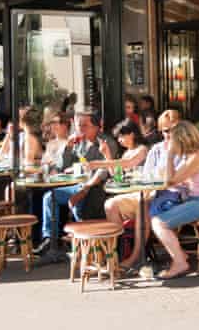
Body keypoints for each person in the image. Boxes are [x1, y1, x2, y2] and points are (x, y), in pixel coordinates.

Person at [35, 111, 118, 254]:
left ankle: (83, 243)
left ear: (97, 127)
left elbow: (103, 171)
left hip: (97, 188)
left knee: (78, 201)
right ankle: (50, 240)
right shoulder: (80, 142)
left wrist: (85, 189)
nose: (81, 129)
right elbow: (63, 166)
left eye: (85, 125)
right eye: (79, 126)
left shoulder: (106, 143)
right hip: (78, 185)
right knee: (49, 197)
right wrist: (67, 147)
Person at [110, 110, 184, 268]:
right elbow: (146, 176)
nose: (170, 134)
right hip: (151, 192)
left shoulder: (187, 148)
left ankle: (137, 256)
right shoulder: (156, 149)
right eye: (165, 131)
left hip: (174, 195)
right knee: (111, 205)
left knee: (142, 205)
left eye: (174, 129)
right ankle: (116, 255)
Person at [149, 121, 199, 279]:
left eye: (173, 139)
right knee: (157, 212)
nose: (170, 142)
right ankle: (180, 254)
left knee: (158, 222)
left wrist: (169, 155)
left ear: (181, 140)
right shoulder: (195, 154)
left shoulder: (196, 157)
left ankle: (180, 262)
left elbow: (170, 181)